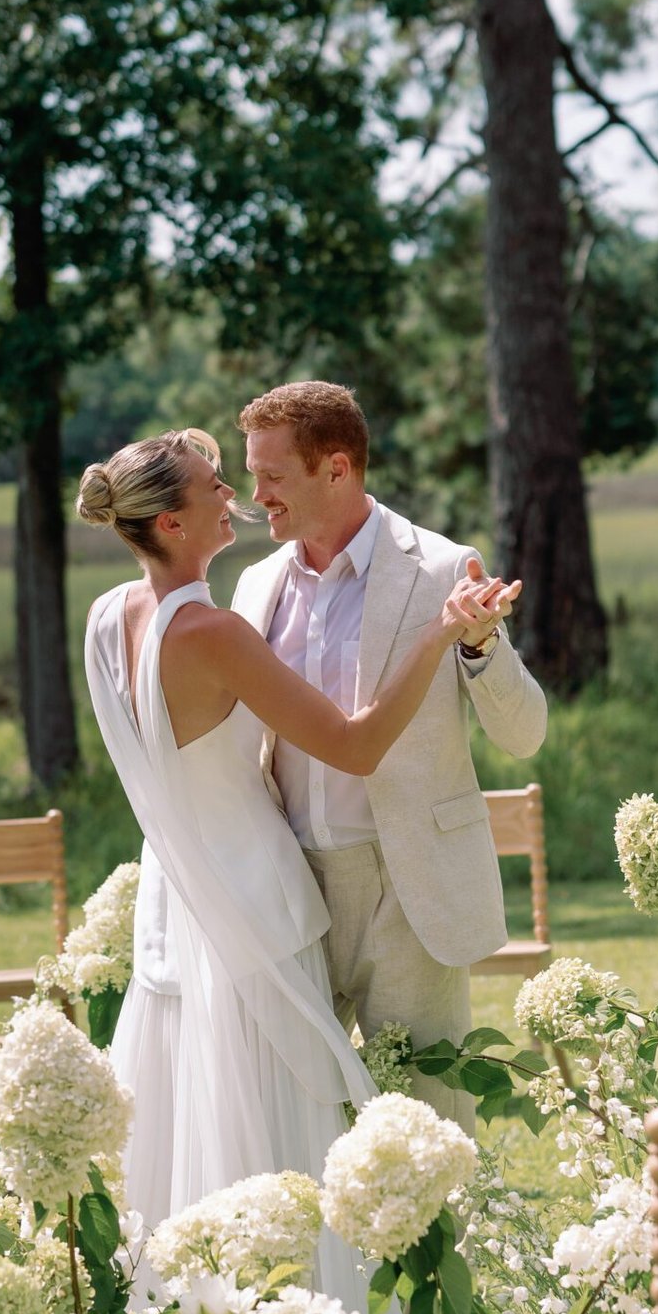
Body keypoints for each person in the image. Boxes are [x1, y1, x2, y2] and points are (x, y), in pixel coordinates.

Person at [77, 427, 517, 1303]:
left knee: (201, 1121)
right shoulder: (212, 629)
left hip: (178, 906)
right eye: (213, 487)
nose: (235, 495)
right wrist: (435, 639)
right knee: (290, 1129)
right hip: (259, 901)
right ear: (170, 521)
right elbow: (353, 745)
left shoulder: (106, 618)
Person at [233, 382, 547, 1130]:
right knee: (294, 1124)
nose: (256, 495)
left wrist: (480, 644)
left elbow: (525, 732)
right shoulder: (254, 585)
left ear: (336, 468)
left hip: (410, 889)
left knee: (428, 1121)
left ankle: (447, 1250)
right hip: (290, 887)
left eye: (272, 476)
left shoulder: (443, 570)